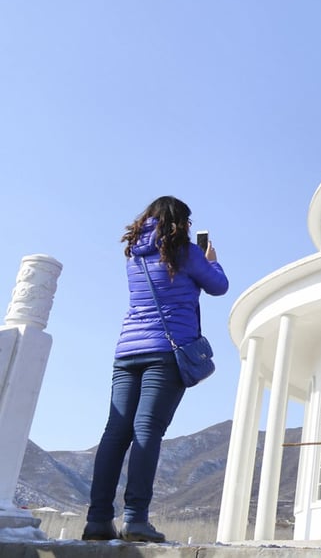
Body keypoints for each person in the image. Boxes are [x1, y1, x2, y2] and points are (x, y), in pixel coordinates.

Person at [82, 196, 229, 542]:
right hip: (166, 351)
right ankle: (135, 519)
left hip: (126, 352)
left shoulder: (134, 254)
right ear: (182, 223)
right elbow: (218, 287)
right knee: (147, 432)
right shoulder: (187, 253)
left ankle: (98, 520)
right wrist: (213, 261)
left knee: (115, 433)